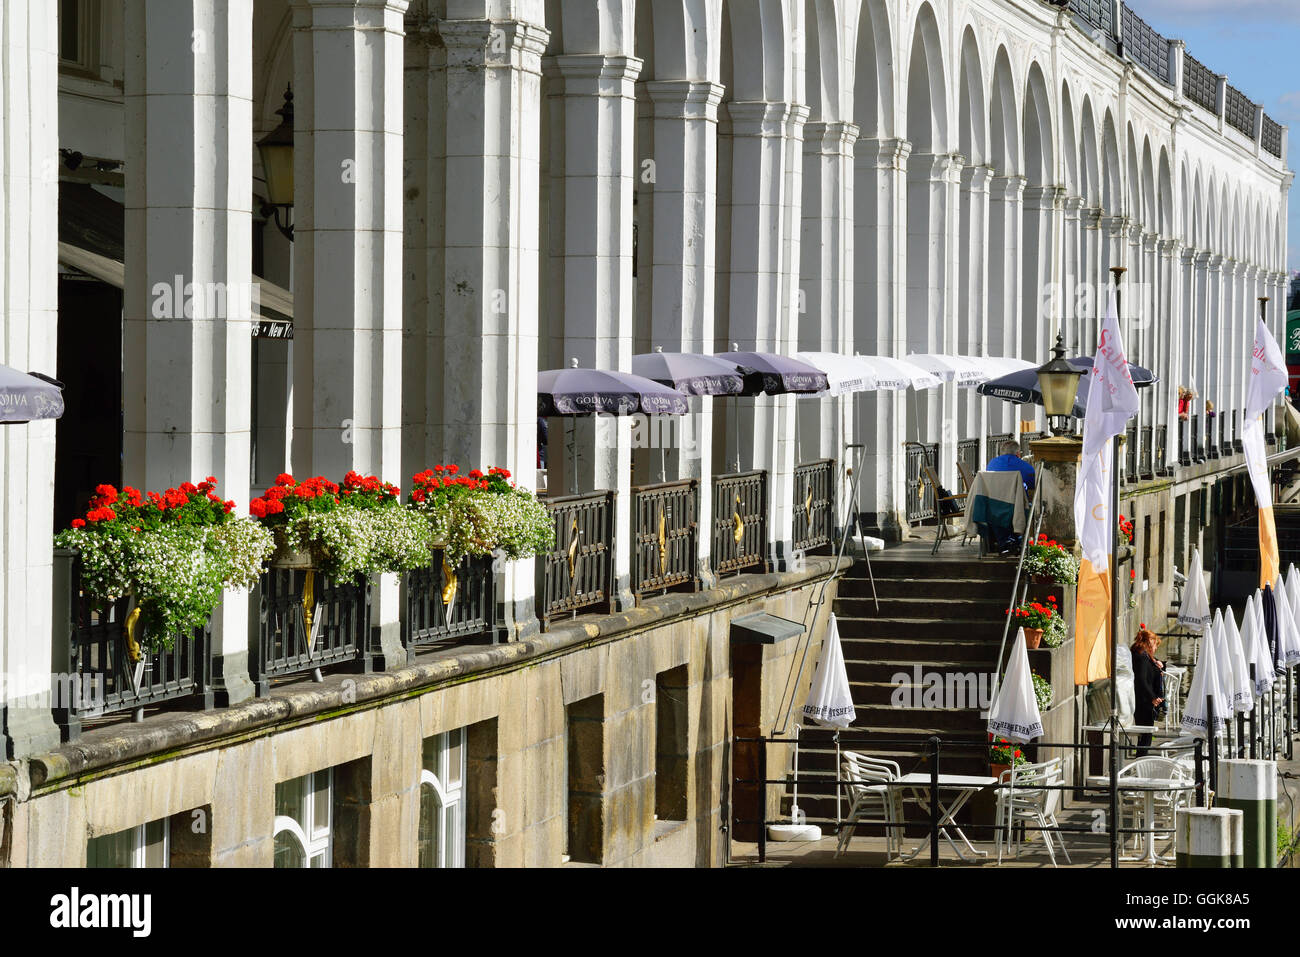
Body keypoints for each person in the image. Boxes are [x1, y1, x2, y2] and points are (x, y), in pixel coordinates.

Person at [1131, 627, 1166, 756]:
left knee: (1146, 734)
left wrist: (1160, 664)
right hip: (1143, 702)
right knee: (1146, 733)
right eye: (1155, 645)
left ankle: (1141, 759)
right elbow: (1140, 680)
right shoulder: (1141, 657)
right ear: (1149, 643)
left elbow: (1152, 669)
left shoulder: (1142, 655)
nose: (1156, 648)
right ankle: (1140, 761)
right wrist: (1152, 697)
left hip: (1143, 700)